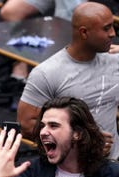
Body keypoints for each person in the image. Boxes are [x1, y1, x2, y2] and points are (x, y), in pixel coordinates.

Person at [18, 2, 119, 159]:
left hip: (111, 167)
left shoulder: (114, 61)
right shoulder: (47, 73)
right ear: (84, 33)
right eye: (106, 28)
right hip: (68, 168)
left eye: (113, 27)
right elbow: (27, 125)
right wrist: (81, 141)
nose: (113, 34)